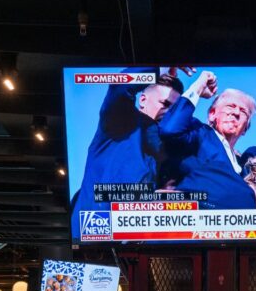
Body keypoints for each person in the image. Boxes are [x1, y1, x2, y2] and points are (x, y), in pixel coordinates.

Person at [72, 70, 186, 214]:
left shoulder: (168, 150)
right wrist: (158, 68)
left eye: (174, 110)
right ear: (143, 100)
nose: (169, 113)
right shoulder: (119, 121)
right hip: (97, 223)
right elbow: (120, 85)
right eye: (165, 103)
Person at [158, 70, 256, 209]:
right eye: (230, 106)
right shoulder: (200, 132)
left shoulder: (244, 166)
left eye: (243, 111)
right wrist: (198, 86)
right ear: (212, 114)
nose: (236, 113)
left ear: (245, 129)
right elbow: (170, 130)